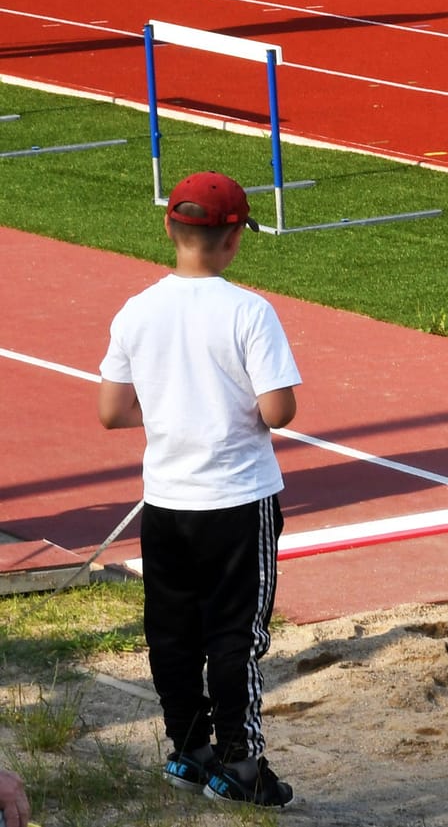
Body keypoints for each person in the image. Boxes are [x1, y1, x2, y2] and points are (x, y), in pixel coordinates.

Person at [97, 171, 301, 808]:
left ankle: (189, 750)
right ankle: (241, 765)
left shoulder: (136, 311)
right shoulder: (249, 311)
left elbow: (111, 411)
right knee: (237, 636)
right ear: (235, 239)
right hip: (238, 500)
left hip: (166, 503)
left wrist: (172, 412)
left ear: (170, 227)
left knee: (173, 631)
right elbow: (278, 411)